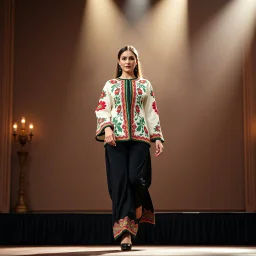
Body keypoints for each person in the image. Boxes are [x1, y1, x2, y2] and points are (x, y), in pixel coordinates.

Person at [95, 45, 164, 251]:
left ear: (136, 61)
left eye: (131, 58)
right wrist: (107, 128)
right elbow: (102, 108)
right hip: (115, 140)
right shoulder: (110, 85)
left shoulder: (145, 85)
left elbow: (152, 111)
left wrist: (157, 137)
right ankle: (126, 234)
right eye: (124, 58)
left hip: (140, 139)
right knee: (120, 183)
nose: (127, 61)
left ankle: (140, 204)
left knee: (135, 178)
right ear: (118, 62)